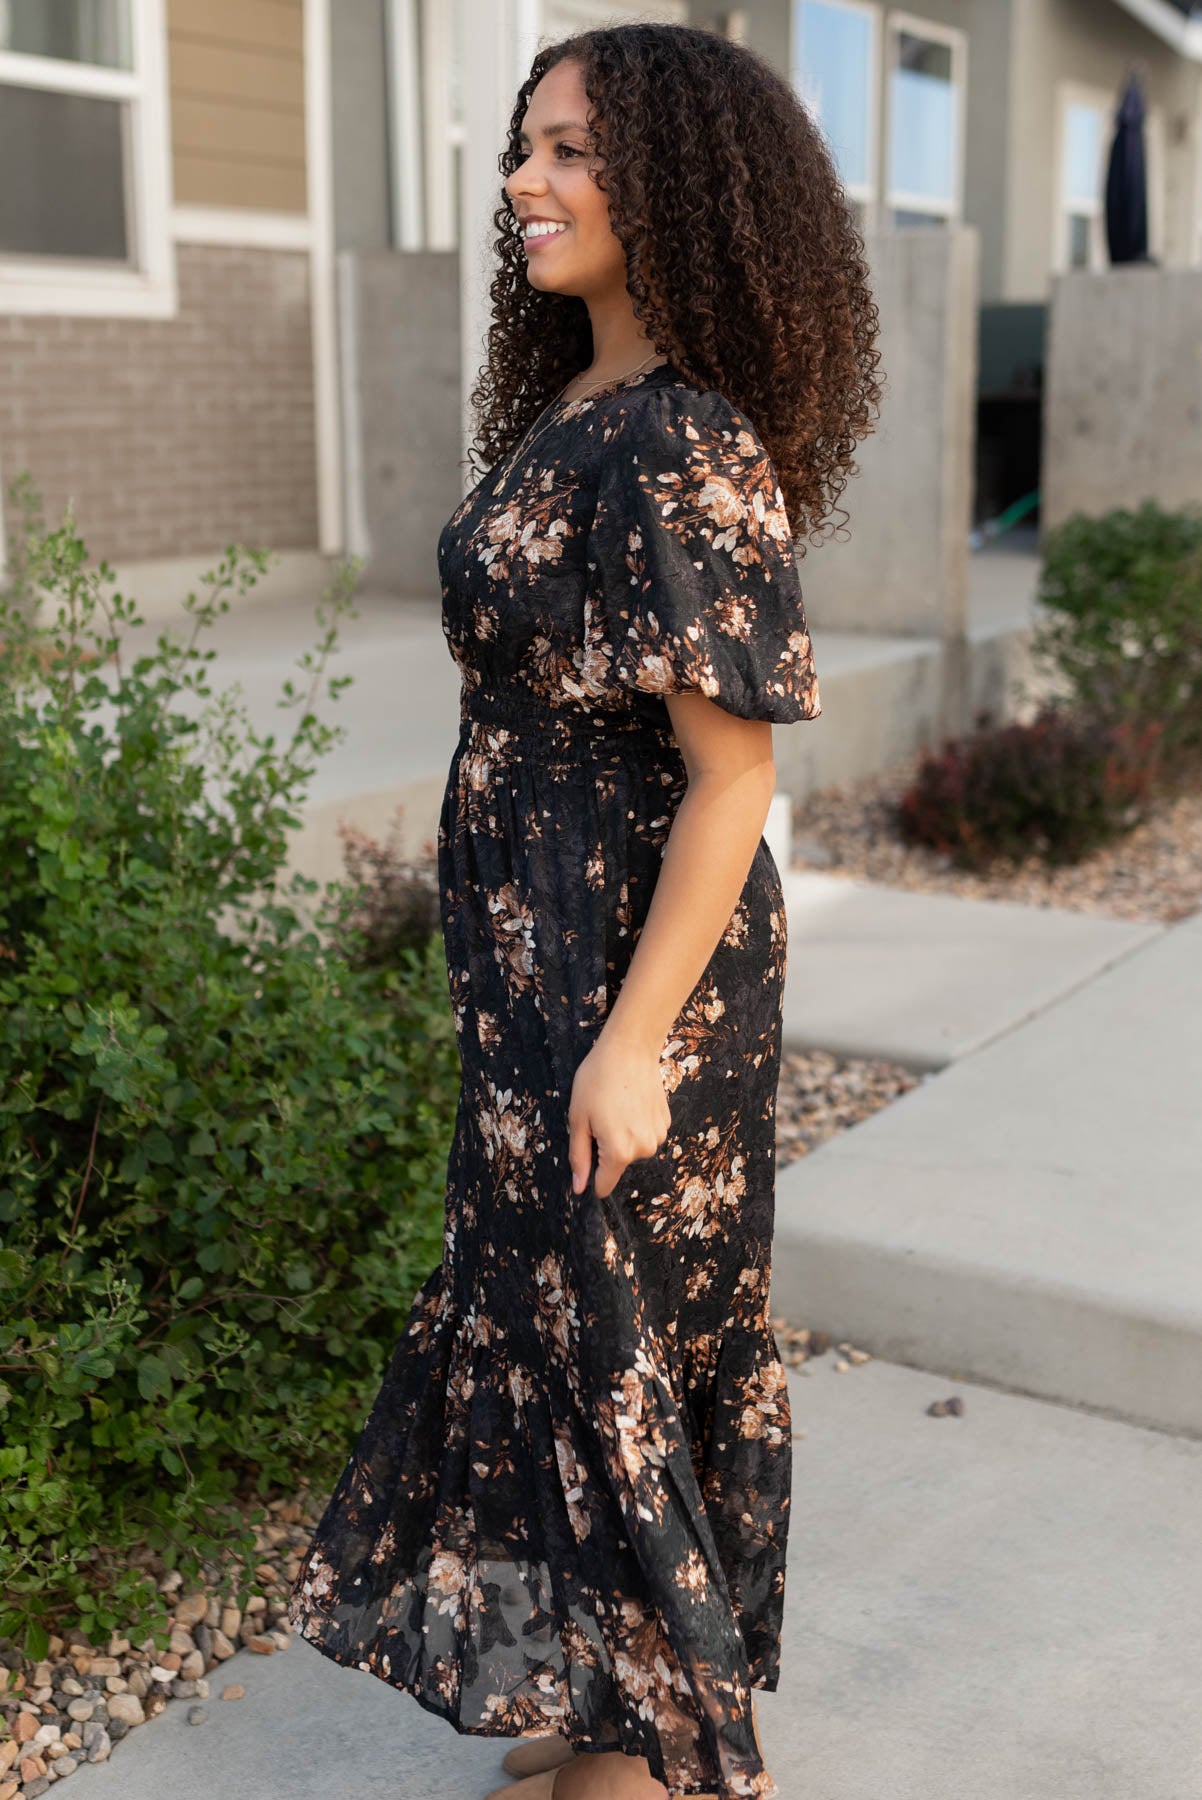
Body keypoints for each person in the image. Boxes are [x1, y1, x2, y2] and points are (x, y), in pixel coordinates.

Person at [288, 22, 881, 1800]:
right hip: (534, 968)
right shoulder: (573, 404)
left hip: (640, 979)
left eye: (571, 155)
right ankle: (611, 1706)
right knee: (553, 1323)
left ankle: (662, 1748)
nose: (525, 185)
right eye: (521, 150)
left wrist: (628, 1046)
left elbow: (733, 778)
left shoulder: (684, 436)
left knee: (626, 1327)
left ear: (682, 190)